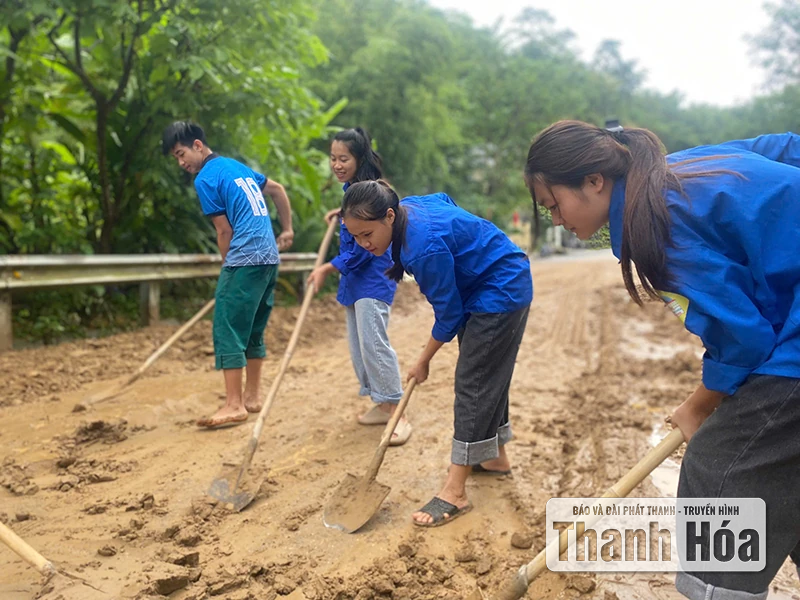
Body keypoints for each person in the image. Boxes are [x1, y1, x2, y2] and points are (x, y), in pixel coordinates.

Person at [524, 120, 800, 600]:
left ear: (594, 182)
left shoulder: (652, 220)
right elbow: (779, 147)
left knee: (719, 467)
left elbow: (742, 341)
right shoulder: (678, 169)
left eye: (554, 204)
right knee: (779, 459)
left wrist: (697, 406)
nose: (555, 220)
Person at [340, 180, 533, 527]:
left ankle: (455, 491)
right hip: (482, 283)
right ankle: (495, 458)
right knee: (489, 372)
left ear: (388, 216)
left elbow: (449, 315)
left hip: (500, 289)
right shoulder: (409, 208)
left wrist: (422, 361)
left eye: (367, 234)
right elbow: (445, 199)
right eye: (355, 237)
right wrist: (462, 253)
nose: (364, 244)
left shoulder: (422, 247)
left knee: (474, 381)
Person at [161, 121, 294, 428]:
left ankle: (234, 404)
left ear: (197, 145)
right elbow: (277, 189)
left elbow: (224, 230)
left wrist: (227, 268)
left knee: (227, 327)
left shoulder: (206, 178)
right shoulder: (235, 167)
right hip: (269, 257)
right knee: (253, 325)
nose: (181, 163)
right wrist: (286, 229)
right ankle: (252, 396)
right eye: (176, 159)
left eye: (182, 154)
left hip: (244, 258)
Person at [307, 128, 411, 446]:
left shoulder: (375, 190)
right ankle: (382, 404)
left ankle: (398, 412)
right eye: (333, 158)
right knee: (359, 348)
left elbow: (360, 248)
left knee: (374, 344)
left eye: (344, 158)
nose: (336, 164)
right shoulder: (353, 190)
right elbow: (353, 219)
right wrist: (339, 215)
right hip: (354, 281)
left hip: (373, 278)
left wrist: (327, 267)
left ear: (359, 158)